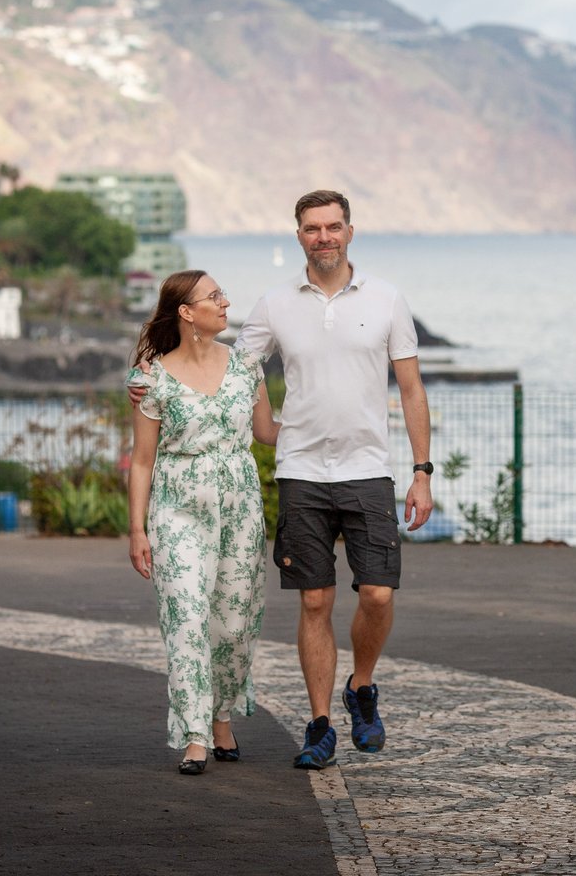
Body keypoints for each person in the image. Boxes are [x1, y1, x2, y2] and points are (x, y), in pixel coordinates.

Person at [129, 189, 433, 771]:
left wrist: (421, 472)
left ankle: (362, 686)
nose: (324, 236)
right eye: (312, 228)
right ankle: (319, 726)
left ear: (350, 231)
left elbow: (412, 390)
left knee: (378, 593)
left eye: (333, 226)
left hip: (369, 471)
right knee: (314, 601)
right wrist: (155, 369)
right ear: (299, 235)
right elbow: (219, 366)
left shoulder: (388, 300)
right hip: (300, 473)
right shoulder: (272, 306)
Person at [127, 269, 280, 775]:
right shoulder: (151, 379)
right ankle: (194, 733)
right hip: (177, 509)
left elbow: (267, 434)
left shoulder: (247, 369)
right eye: (214, 296)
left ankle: (220, 716)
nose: (226, 301)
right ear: (187, 313)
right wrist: (137, 529)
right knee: (187, 618)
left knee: (235, 625)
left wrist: (329, 412)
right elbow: (143, 460)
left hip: (239, 507)